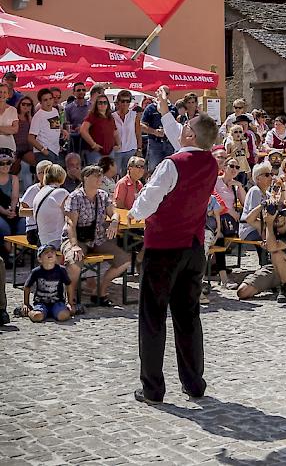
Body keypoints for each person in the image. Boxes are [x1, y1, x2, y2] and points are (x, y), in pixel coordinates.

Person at [128, 112, 220, 403]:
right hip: (192, 247)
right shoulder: (211, 163)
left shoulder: (172, 164)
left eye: (186, 126)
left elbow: (148, 201)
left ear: (190, 135)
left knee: (152, 318)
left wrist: (132, 214)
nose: (181, 128)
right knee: (188, 317)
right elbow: (180, 139)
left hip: (164, 247)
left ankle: (153, 389)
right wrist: (165, 108)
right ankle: (194, 383)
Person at [61, 165, 130, 308]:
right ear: (86, 178)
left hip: (97, 238)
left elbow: (114, 212)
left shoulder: (102, 195)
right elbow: (70, 223)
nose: (100, 179)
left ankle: (100, 291)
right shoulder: (75, 197)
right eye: (96, 176)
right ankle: (70, 299)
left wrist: (114, 222)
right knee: (74, 263)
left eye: (100, 176)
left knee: (124, 261)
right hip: (77, 238)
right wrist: (73, 246)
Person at [237, 205, 286, 303]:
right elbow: (249, 219)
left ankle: (285, 288)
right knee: (242, 292)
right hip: (272, 268)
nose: (275, 218)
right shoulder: (271, 225)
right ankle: (275, 284)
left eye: (279, 216)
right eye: (274, 215)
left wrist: (268, 223)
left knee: (276, 253)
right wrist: (263, 205)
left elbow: (273, 248)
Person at [22, 244, 74, 323]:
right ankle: (29, 312)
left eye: (52, 252)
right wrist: (26, 304)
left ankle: (56, 312)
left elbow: (68, 284)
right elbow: (27, 286)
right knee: (37, 317)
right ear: (39, 259)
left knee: (63, 316)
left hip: (57, 302)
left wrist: (70, 303)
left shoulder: (61, 270)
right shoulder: (36, 272)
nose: (50, 254)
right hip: (41, 302)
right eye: (46, 253)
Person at [31, 164, 68, 249]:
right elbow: (70, 216)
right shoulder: (61, 192)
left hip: (43, 240)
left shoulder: (40, 192)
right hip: (57, 241)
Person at [141, 87, 177, 171]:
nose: (164, 96)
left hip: (170, 144)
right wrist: (154, 132)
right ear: (157, 93)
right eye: (162, 93)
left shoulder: (173, 108)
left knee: (170, 168)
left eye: (166, 94)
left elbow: (177, 124)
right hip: (155, 143)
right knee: (154, 169)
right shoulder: (150, 108)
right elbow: (141, 125)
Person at [80, 95, 119, 166]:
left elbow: (115, 132)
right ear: (96, 104)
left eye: (105, 102)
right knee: (96, 174)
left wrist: (118, 144)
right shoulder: (92, 116)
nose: (103, 105)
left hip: (110, 152)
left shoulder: (110, 117)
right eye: (100, 103)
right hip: (96, 153)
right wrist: (93, 144)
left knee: (109, 175)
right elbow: (83, 130)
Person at [239, 161, 273, 243]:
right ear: (258, 178)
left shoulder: (267, 194)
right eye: (267, 175)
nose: (271, 177)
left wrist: (282, 189)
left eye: (271, 174)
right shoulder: (255, 191)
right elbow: (254, 217)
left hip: (261, 227)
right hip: (249, 229)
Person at [20, 159, 51, 246]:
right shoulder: (33, 190)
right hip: (34, 229)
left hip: (51, 228)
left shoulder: (56, 189)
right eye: (45, 172)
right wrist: (40, 212)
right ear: (38, 175)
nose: (48, 175)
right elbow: (22, 211)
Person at [28, 88, 63, 165]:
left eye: (50, 99)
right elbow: (30, 138)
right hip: (44, 152)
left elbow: (54, 126)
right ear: (40, 102)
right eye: (45, 100)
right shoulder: (38, 116)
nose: (49, 102)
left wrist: (63, 131)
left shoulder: (55, 111)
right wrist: (43, 150)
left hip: (55, 150)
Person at [0, 149, 24, 261]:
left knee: (23, 224)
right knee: (4, 229)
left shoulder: (14, 178)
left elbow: (15, 197)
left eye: (8, 163)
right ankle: (7, 255)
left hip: (11, 210)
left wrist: (12, 210)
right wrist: (4, 212)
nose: (5, 166)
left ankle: (17, 255)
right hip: (0, 212)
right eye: (1, 163)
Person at [214, 157, 247, 235]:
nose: (234, 169)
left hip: (231, 218)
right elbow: (214, 200)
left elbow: (245, 203)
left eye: (237, 167)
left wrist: (240, 186)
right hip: (218, 216)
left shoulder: (235, 185)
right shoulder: (216, 180)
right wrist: (228, 211)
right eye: (231, 166)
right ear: (224, 167)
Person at [112, 90, 142, 176]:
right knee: (115, 174)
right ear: (118, 102)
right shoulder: (112, 116)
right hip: (117, 151)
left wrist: (139, 149)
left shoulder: (134, 115)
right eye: (122, 101)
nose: (125, 103)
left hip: (131, 149)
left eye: (127, 101)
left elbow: (138, 133)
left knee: (129, 175)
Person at [11, 95, 36, 175]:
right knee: (13, 171)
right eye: (23, 104)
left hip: (27, 148)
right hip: (15, 148)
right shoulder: (14, 116)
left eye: (28, 105)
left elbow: (33, 130)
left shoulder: (30, 118)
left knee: (37, 163)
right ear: (19, 104)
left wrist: (29, 116)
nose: (25, 106)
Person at [64, 83, 89, 157]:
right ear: (74, 92)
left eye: (83, 90)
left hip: (89, 140)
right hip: (75, 141)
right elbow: (67, 125)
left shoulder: (91, 106)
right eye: (78, 90)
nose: (81, 92)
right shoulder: (68, 108)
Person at [0, 81, 19, 157]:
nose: (2, 94)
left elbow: (15, 129)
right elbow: (11, 129)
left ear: (8, 95)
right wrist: (7, 129)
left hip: (9, 147)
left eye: (5, 92)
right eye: (0, 92)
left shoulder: (13, 110)